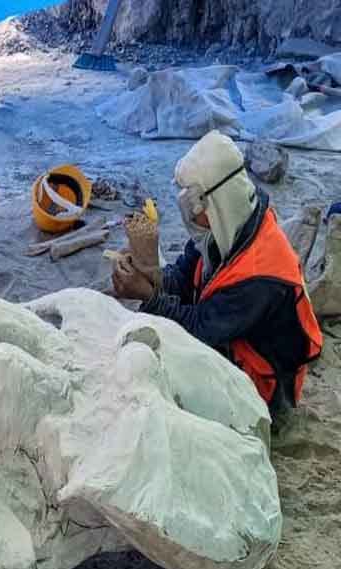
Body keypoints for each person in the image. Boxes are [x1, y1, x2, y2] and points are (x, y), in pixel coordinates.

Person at [113, 130, 323, 417]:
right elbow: (185, 280)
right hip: (229, 334)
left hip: (263, 384)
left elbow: (200, 330)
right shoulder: (228, 227)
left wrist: (148, 296)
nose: (188, 216)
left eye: (192, 205)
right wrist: (149, 269)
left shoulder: (260, 275)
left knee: (158, 365)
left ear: (217, 201)